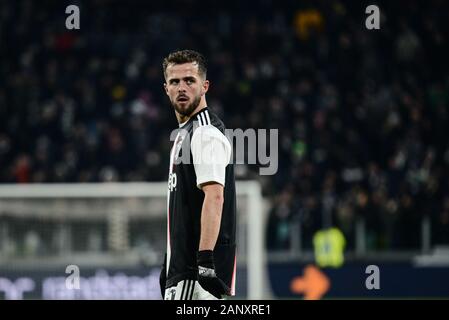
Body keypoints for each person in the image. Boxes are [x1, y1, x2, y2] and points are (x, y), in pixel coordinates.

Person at [159, 49, 237, 300]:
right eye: (175, 82)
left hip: (194, 277)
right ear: (166, 88)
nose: (182, 87)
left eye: (189, 81)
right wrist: (168, 263)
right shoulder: (185, 133)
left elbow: (214, 197)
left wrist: (205, 262)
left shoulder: (205, 133)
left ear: (204, 86)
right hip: (184, 273)